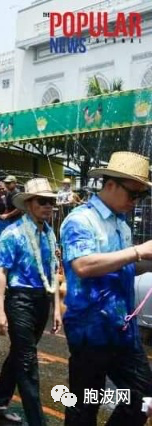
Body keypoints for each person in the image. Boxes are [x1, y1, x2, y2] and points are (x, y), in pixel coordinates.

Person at [61, 152, 152, 425]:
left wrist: (146, 262)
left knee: (144, 397)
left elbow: (122, 266)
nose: (134, 202)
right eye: (132, 194)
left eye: (140, 197)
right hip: (90, 329)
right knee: (85, 404)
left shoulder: (121, 225)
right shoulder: (81, 220)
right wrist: (138, 251)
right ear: (110, 184)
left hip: (122, 328)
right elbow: (84, 266)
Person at [0, 178, 62, 425]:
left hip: (41, 300)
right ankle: (37, 420)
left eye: (51, 202)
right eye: (43, 202)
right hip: (19, 300)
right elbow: (1, 271)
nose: (48, 206)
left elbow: (52, 273)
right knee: (28, 360)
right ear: (29, 204)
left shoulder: (49, 234)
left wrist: (56, 309)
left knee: (19, 354)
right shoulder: (13, 233)